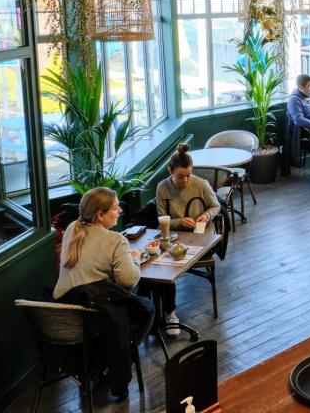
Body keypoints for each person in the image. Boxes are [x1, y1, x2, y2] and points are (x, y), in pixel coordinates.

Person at [53, 187, 153, 401]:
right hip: (93, 319)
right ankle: (118, 362)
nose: (120, 212)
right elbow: (128, 281)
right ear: (100, 215)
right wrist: (135, 257)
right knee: (145, 308)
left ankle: (98, 366)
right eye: (116, 208)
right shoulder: (115, 240)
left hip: (63, 317)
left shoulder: (72, 228)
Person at [154, 143, 221, 333]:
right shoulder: (162, 188)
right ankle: (169, 313)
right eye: (180, 176)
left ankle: (169, 314)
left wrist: (206, 216)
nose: (185, 180)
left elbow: (216, 206)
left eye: (188, 175)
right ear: (170, 171)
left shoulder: (201, 184)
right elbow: (162, 221)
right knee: (164, 266)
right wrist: (179, 222)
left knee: (168, 265)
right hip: (176, 238)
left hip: (203, 238)